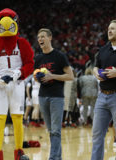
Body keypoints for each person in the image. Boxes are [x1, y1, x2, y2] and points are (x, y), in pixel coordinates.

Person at [0, 8, 34, 160]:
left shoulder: (22, 43)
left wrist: (18, 74)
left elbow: (30, 63)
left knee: (17, 118)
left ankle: (19, 152)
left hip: (18, 84)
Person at [34, 28, 74, 160]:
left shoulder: (59, 56)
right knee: (51, 131)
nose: (40, 39)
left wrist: (52, 76)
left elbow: (70, 76)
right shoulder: (38, 58)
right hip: (42, 96)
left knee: (56, 131)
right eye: (39, 37)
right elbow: (36, 76)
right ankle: (58, 157)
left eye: (43, 36)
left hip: (56, 96)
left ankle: (53, 158)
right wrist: (37, 77)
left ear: (50, 38)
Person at [91, 20, 116, 160]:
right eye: (108, 29)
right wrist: (96, 73)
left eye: (112, 29)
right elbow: (95, 66)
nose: (109, 31)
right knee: (97, 134)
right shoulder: (103, 49)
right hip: (102, 96)